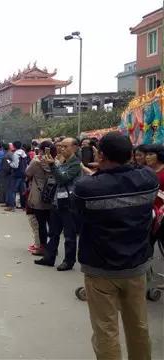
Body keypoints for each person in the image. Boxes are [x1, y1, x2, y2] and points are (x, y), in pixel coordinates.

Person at [74, 132, 157, 359]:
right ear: (132, 155)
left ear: (100, 155)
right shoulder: (148, 180)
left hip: (100, 268)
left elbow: (79, 217)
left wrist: (96, 174)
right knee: (138, 326)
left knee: (106, 330)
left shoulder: (87, 187)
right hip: (136, 266)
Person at [35, 137, 81, 271]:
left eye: (65, 146)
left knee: (69, 235)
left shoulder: (75, 164)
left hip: (68, 203)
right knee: (53, 232)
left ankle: (69, 260)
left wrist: (52, 165)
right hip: (57, 201)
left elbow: (62, 178)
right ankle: (49, 258)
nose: (61, 149)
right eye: (60, 146)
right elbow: (55, 176)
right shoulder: (62, 161)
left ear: (75, 147)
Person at [25, 141, 55, 256]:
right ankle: (53, 247)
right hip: (52, 194)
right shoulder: (56, 161)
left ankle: (42, 248)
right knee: (51, 223)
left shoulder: (36, 161)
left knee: (41, 223)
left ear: (42, 150)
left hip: (38, 194)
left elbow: (27, 173)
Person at [4, 141, 28, 211]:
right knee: (22, 190)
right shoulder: (24, 153)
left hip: (16, 174)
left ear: (14, 146)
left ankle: (12, 206)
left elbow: (15, 165)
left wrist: (9, 162)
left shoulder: (15, 154)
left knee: (12, 190)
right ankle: (24, 206)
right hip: (23, 173)